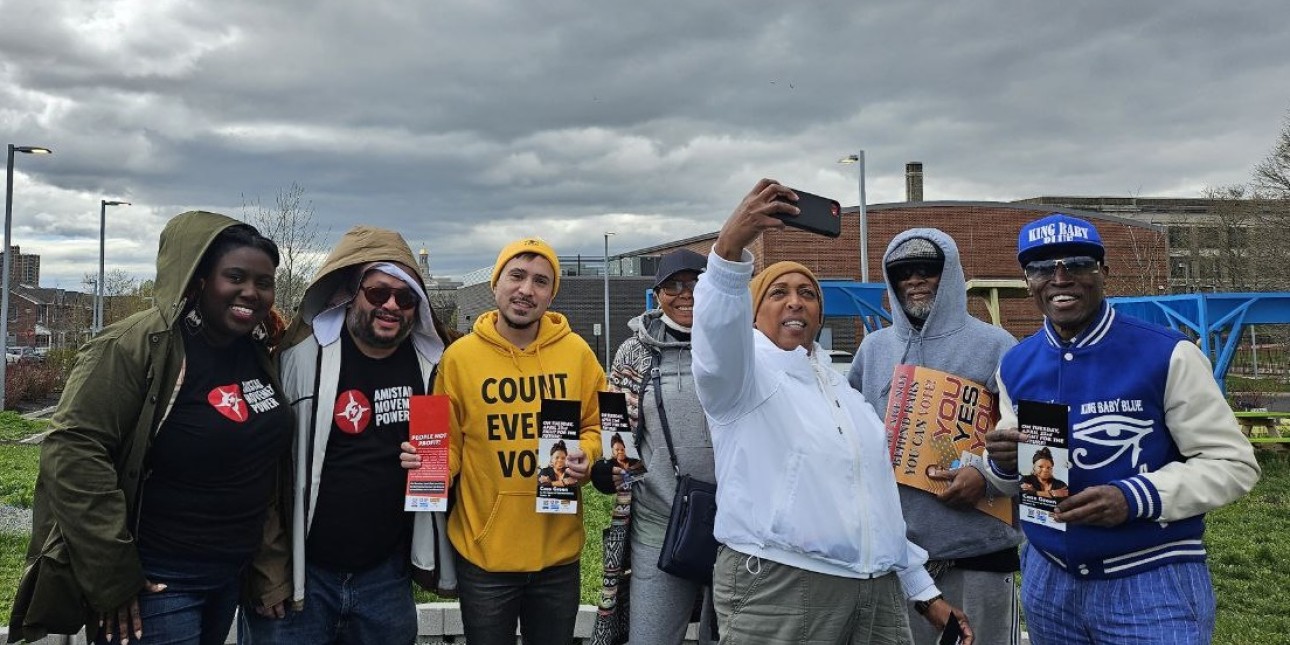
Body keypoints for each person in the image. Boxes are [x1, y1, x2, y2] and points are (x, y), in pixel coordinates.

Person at [693, 179, 973, 644]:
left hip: (874, 591)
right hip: (782, 587)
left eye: (808, 293)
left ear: (820, 316)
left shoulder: (843, 394)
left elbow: (871, 505)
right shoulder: (742, 379)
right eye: (777, 292)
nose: (796, 301)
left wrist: (923, 591)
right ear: (751, 313)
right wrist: (728, 251)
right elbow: (716, 342)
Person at [8, 213, 290, 645]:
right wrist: (114, 575)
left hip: (228, 576)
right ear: (198, 279)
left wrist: (267, 570)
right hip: (155, 583)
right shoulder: (135, 345)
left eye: (263, 282)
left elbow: (260, 468)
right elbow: (73, 454)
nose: (251, 292)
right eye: (235, 276)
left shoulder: (255, 350)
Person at [983, 212, 1261, 644]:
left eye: (1077, 263)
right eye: (1042, 267)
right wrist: (1001, 464)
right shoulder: (1016, 363)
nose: (1060, 277)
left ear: (1104, 273)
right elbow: (1021, 476)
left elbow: (1233, 464)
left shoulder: (1168, 353)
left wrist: (1135, 498)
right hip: (1047, 579)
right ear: (1028, 281)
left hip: (1150, 580)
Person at [240, 226, 458, 644]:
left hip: (386, 581)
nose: (391, 305)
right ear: (350, 293)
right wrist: (268, 573)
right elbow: (260, 474)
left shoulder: (434, 369)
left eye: (406, 297)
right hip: (301, 581)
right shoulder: (298, 361)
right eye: (378, 293)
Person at [847, 228, 1023, 645]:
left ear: (952, 274)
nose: (915, 280)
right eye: (903, 272)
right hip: (897, 563)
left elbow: (1033, 443)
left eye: (928, 270)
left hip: (980, 555)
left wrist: (988, 474)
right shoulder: (871, 351)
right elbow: (847, 442)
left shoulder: (999, 346)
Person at [426, 237, 604, 644]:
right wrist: (428, 466)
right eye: (517, 276)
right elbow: (447, 444)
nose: (526, 290)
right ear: (496, 283)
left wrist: (587, 454)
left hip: (558, 556)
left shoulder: (577, 353)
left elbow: (600, 428)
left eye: (541, 281)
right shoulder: (458, 358)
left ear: (551, 294)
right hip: (484, 557)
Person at [591, 247, 717, 644]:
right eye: (673, 286)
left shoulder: (738, 345)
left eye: (696, 284)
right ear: (658, 293)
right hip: (658, 522)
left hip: (736, 524)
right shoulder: (634, 351)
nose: (686, 294)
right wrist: (606, 469)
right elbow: (617, 433)